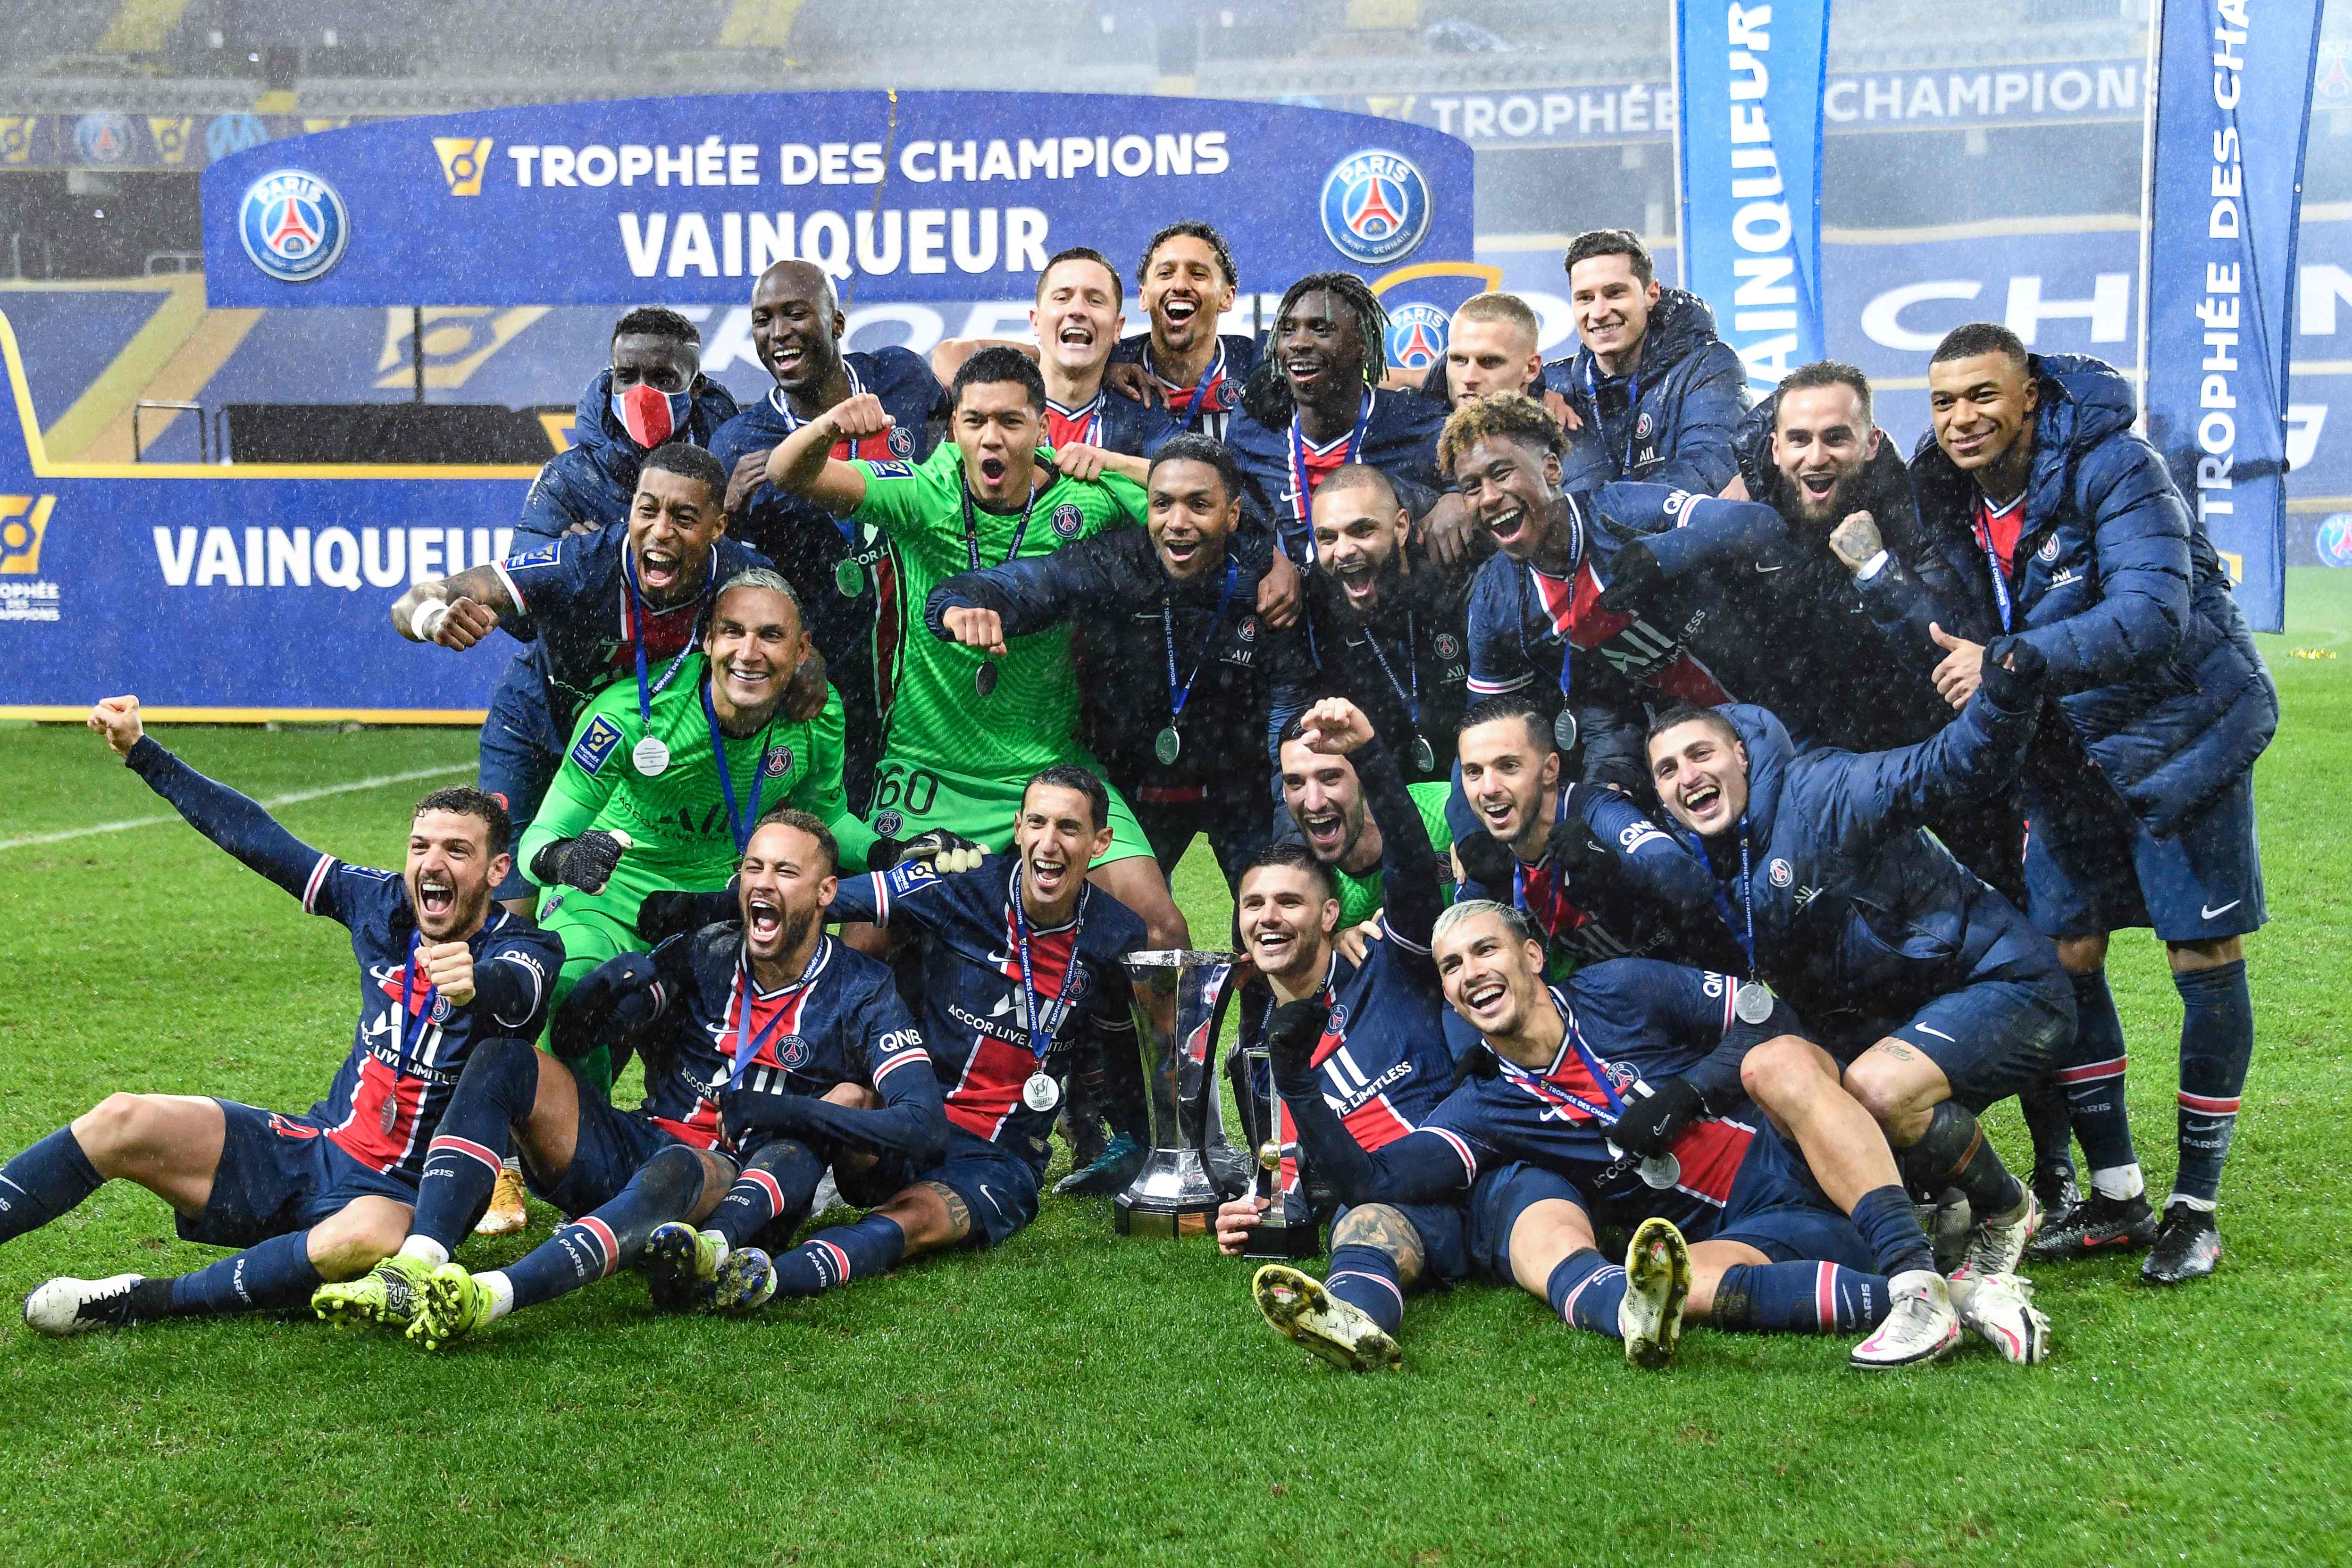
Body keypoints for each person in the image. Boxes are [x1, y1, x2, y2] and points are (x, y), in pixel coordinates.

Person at [1891, 325, 2277, 1283]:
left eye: (1981, 396)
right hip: (2061, 755)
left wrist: (2008, 662)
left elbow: (2154, 612)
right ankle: (2114, 1196)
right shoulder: (1941, 490)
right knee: (2063, 956)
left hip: (2175, 739)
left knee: (2198, 952)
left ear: (2027, 396)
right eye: (1942, 402)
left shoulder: (2116, 463)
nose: (1960, 419)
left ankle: (2195, 1208)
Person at [1263, 901, 2048, 1370]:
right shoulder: (1484, 1104)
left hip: (1800, 1146)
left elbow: (1766, 1010)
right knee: (1664, 1288)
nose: (1470, 971)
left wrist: (1688, 1091)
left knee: (1776, 1060)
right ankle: (1967, 1297)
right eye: (1451, 966)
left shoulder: (1617, 989)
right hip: (1753, 1226)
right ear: (1449, 997)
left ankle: (1917, 1273)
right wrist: (1301, 1086)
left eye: (1486, 949)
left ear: (1530, 955)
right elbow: (1377, 1181)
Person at [10, 698, 559, 1334]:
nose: (432, 864)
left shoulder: (526, 946)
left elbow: (520, 995)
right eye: (420, 846)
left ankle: (147, 1299)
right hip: (316, 1149)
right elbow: (259, 839)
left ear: (496, 870)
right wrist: (143, 753)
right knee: (123, 1118)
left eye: (456, 851)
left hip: (403, 1201)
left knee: (358, 1237)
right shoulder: (380, 904)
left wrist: (476, 988)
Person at [318, 810, 946, 1346]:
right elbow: (576, 1040)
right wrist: (603, 998)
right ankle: (417, 1264)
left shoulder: (862, 991)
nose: (763, 885)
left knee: (685, 1165)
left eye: (785, 872)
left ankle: (498, 1293)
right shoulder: (704, 952)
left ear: (827, 892)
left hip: (738, 1185)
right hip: (642, 1147)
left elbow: (921, 1126)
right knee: (505, 1061)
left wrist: (789, 1113)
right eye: (754, 869)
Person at [1640, 654, 2070, 1285]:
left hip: (2006, 985)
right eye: (1667, 770)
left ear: (1741, 754)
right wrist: (1689, 1091)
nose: (1688, 777)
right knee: (1803, 1096)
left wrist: (2001, 704)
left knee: (1874, 1089)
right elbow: (1779, 1011)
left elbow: (1935, 771)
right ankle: (1935, 1199)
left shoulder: (1817, 792)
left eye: (1701, 754)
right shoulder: (1720, 868)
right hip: (1921, 1017)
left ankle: (2006, 1211)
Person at [764, 345, 1190, 950]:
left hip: (1046, 769)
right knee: (863, 947)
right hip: (929, 770)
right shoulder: (919, 495)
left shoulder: (1083, 498)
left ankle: (1152, 1051)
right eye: (975, 422)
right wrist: (828, 426)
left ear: (1043, 427)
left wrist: (1116, 462)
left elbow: (1203, 494)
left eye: (1011, 422)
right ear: (953, 429)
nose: (992, 439)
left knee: (1160, 933)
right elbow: (789, 474)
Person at [735, 768, 1151, 1297]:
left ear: (1100, 842)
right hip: (905, 1125)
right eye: (1038, 823)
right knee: (843, 1099)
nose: (1049, 844)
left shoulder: (1116, 933)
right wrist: (716, 900)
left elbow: (1114, 1051)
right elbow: (826, 899)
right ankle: (727, 1234)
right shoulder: (964, 886)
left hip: (999, 1155)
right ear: (1018, 828)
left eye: (1069, 828)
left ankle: (768, 1282)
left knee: (916, 1219)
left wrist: (1137, 1138)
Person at [518, 568, 868, 1089]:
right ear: (707, 640)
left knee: (712, 1061)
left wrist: (893, 851)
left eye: (771, 636)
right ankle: (578, 1148)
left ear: (802, 651)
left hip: (714, 911)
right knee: (577, 988)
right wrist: (566, 860)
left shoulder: (819, 715)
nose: (748, 653)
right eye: (732, 632)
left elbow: (825, 820)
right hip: (608, 898)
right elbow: (537, 839)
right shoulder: (630, 715)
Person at [927, 434, 1311, 892]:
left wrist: (1290, 846)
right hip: (1131, 784)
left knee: (1278, 912)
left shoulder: (1266, 585)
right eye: (1162, 504)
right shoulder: (1114, 565)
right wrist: (955, 606)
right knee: (1138, 930)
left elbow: (1287, 722)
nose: (1177, 523)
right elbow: (1026, 583)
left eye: (1199, 506)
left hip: (1238, 788)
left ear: (1232, 516)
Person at [1209, 701, 1458, 1371]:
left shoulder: (1388, 960)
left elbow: (1408, 861)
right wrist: (1254, 1208)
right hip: (1382, 1204)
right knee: (1361, 1226)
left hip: (1453, 1170)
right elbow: (1293, 1169)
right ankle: (1351, 1320)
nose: (1267, 920)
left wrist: (1372, 754)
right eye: (1253, 906)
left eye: (1287, 904)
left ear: (1329, 913)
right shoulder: (1256, 1053)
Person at [708, 259, 946, 812]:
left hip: (918, 662)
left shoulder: (900, 379)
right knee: (825, 839)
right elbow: (733, 571)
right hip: (820, 678)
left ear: (836, 324)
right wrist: (729, 517)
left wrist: (1114, 368)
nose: (778, 333)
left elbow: (980, 402)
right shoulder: (739, 442)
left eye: (796, 314)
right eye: (762, 320)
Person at [1448, 391, 1770, 794]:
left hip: (1773, 706)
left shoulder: (1618, 511)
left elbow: (1760, 525)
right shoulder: (1496, 600)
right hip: (1675, 764)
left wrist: (1663, 554)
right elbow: (1481, 735)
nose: (1490, 497)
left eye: (1501, 474)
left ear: (1551, 469)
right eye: (1472, 487)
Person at [1449, 694, 1745, 976]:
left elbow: (1692, 880)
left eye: (1508, 766)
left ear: (1550, 769)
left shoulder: (1596, 812)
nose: (1489, 788)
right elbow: (1455, 959)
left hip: (1712, 979)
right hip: (1623, 1008)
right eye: (1474, 772)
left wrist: (1614, 866)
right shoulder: (1485, 855)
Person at [1224, 272, 1451, 569]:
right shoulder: (1254, 427)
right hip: (1297, 612)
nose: (1299, 343)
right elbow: (1233, 515)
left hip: (1389, 609)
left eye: (1320, 329)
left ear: (1362, 344)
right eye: (1289, 330)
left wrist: (1456, 497)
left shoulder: (1416, 422)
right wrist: (1268, 558)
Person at [930, 245, 1183, 485]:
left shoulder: (1140, 413)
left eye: (1095, 300)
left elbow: (1194, 475)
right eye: (1062, 298)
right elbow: (948, 357)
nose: (1077, 310)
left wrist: (1111, 463)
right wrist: (1035, 355)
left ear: (1118, 328)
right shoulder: (1001, 402)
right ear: (1036, 322)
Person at [1302, 464, 1476, 789]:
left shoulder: (1454, 571)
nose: (1343, 551)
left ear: (1400, 527)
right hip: (1385, 788)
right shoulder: (1312, 595)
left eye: (1361, 531)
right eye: (1327, 538)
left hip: (1477, 780)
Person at [1540, 229, 1749, 495]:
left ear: (1652, 294)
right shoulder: (1553, 386)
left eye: (1615, 293)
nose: (1599, 312)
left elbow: (1706, 473)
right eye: (1585, 298)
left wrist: (1590, 521)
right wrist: (1529, 397)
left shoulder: (1709, 367)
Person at [1272, 716, 1455, 933]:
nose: (1313, 803)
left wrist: (1475, 832)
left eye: (1330, 778)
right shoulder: (1305, 887)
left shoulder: (1446, 810)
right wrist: (1333, 951)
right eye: (1295, 783)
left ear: (1364, 778)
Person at [1104, 220, 1258, 440]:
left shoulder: (1252, 364)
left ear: (1227, 297)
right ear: (1144, 296)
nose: (1179, 286)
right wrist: (1097, 373)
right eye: (1166, 274)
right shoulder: (1111, 362)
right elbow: (1046, 365)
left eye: (1198, 274)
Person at [1412, 290, 1549, 409]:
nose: (1468, 378)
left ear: (1531, 369)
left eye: (1489, 362)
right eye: (1460, 360)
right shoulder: (1411, 430)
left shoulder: (1559, 433)